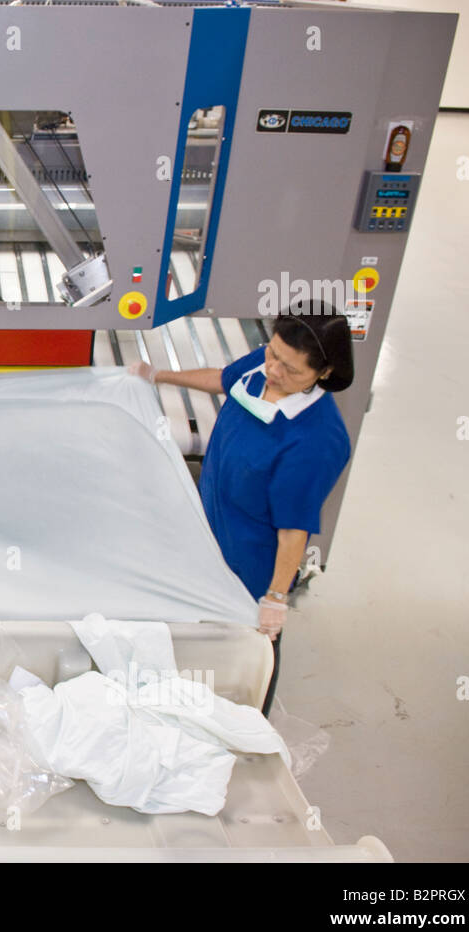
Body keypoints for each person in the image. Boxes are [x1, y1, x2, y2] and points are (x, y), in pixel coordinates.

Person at [129, 302, 354, 715]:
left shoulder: (315, 441)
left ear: (323, 373)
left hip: (251, 558)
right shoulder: (270, 363)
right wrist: (157, 375)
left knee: (241, 651)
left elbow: (293, 529)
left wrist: (274, 597)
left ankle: (244, 720)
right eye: (272, 355)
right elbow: (222, 379)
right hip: (211, 521)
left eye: (291, 370)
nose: (274, 371)